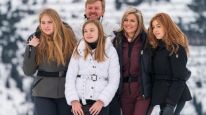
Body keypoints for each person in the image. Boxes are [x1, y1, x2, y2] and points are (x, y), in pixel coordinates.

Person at [23, 8, 77, 115]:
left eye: (49, 22)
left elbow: (76, 63)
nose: (46, 26)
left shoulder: (68, 37)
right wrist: (31, 48)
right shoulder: (35, 39)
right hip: (43, 92)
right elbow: (28, 71)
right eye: (43, 22)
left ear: (56, 22)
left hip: (66, 91)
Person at [65, 20, 120, 115]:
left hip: (99, 106)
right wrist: (73, 100)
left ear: (99, 31)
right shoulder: (78, 49)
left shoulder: (110, 51)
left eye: (91, 30)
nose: (88, 33)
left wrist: (102, 101)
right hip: (79, 105)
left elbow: (114, 81)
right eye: (85, 31)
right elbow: (70, 77)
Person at [147, 12, 192, 115]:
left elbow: (179, 78)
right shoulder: (156, 48)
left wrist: (170, 105)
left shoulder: (176, 48)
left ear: (167, 26)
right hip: (162, 96)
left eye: (158, 26)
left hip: (175, 98)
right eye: (153, 27)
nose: (155, 30)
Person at [113, 7, 152, 115]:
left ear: (139, 23)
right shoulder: (117, 41)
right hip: (124, 92)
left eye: (132, 20)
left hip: (142, 90)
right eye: (125, 20)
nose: (128, 23)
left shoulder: (147, 41)